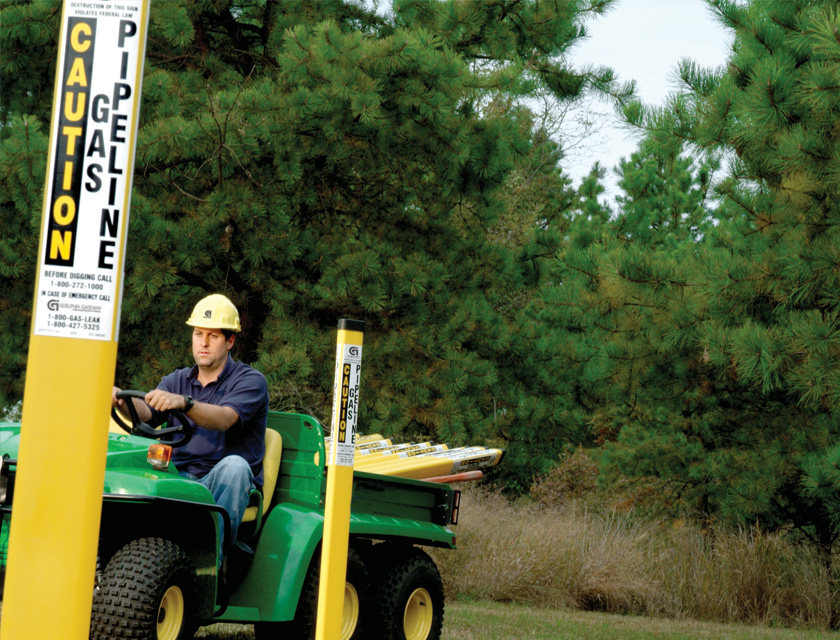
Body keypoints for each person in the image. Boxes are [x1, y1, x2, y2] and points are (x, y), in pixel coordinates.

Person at [112, 293, 268, 554]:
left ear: (230, 341)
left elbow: (225, 419)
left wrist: (185, 403)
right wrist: (120, 400)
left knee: (236, 467)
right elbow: (147, 412)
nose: (203, 343)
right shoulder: (177, 379)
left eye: (213, 336)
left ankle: (210, 564)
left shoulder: (250, 381)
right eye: (198, 334)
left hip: (216, 480)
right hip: (175, 474)